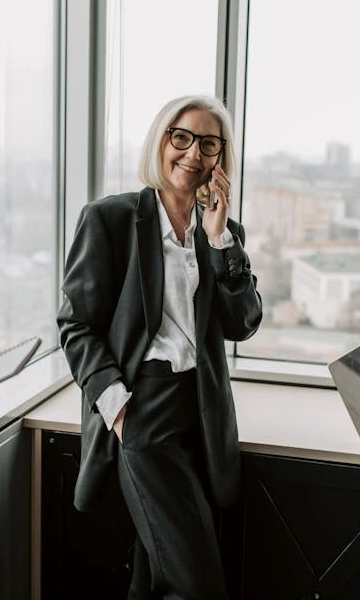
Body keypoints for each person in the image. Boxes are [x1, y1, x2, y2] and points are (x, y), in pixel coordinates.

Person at [57, 95, 263, 598]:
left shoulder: (222, 233)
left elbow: (243, 323)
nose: (194, 154)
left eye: (209, 144)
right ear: (162, 142)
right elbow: (76, 325)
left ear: (221, 158)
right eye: (182, 138)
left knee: (155, 573)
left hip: (202, 410)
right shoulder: (111, 218)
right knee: (198, 582)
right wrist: (119, 410)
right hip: (143, 408)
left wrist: (218, 240)